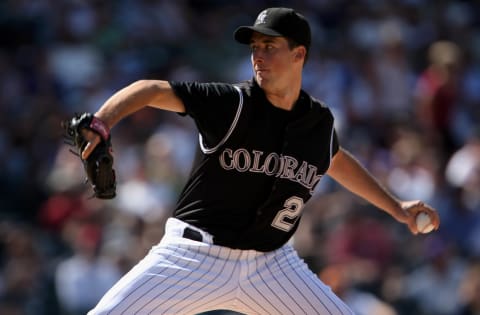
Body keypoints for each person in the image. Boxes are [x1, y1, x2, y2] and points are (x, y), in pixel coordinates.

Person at [82, 7, 440, 315]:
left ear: (299, 55)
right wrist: (102, 121)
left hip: (271, 266)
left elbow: (334, 159)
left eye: (270, 47)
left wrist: (396, 207)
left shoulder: (318, 123)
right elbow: (150, 90)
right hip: (193, 255)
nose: (258, 56)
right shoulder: (231, 104)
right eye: (255, 47)